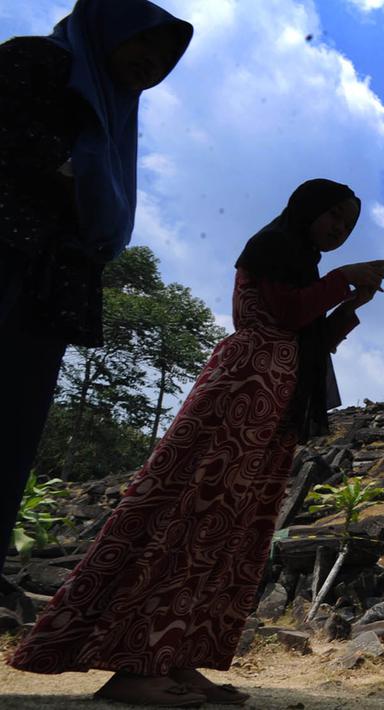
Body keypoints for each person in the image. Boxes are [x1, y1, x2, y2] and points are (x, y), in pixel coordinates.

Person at [7, 179, 384, 707]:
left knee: (228, 531)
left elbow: (310, 340)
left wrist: (351, 302)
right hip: (240, 395)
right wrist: (342, 280)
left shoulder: (305, 268)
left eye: (348, 227)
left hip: (270, 410)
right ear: (306, 209)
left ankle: (177, 658)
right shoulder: (272, 247)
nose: (339, 231)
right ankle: (132, 666)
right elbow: (287, 315)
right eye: (333, 218)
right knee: (189, 516)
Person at [0, 0, 194, 576]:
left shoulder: (115, 121)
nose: (153, 66)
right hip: (9, 259)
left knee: (11, 437)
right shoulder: (33, 61)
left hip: (50, 291)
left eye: (166, 62)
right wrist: (72, 173)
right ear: (108, 30)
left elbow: (100, 208)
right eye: (145, 47)